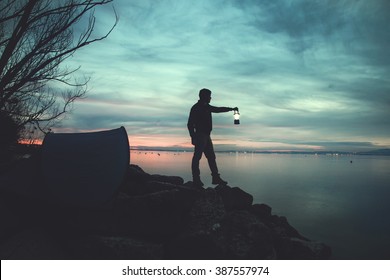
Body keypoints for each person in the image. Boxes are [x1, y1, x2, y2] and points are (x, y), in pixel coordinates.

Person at [187, 88, 238, 188]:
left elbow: (218, 109)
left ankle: (215, 177)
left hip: (207, 135)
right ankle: (196, 179)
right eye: (209, 96)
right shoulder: (196, 107)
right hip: (200, 135)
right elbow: (190, 124)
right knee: (197, 157)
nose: (211, 98)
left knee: (211, 157)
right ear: (204, 96)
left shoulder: (207, 107)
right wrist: (193, 137)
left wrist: (231, 109)